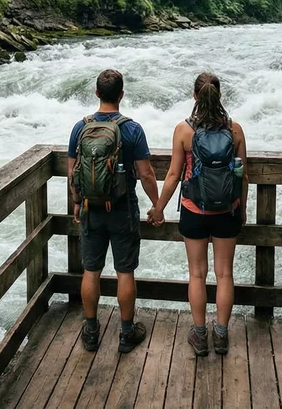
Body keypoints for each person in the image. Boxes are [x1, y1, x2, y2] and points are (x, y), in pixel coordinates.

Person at [148, 72, 249, 356]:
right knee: (225, 273)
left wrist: (158, 208)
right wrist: (242, 210)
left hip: (194, 210)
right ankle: (221, 334)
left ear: (194, 96)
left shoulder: (184, 130)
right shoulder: (235, 130)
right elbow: (243, 176)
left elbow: (172, 176)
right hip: (227, 211)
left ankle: (200, 335)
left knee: (197, 274)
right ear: (220, 96)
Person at [67, 69, 160, 353]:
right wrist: (157, 205)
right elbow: (145, 174)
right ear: (122, 94)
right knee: (125, 271)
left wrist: (76, 202)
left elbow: (72, 172)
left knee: (91, 271)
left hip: (90, 208)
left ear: (96, 93)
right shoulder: (132, 129)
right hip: (122, 207)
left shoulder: (80, 127)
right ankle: (126, 332)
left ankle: (92, 331)